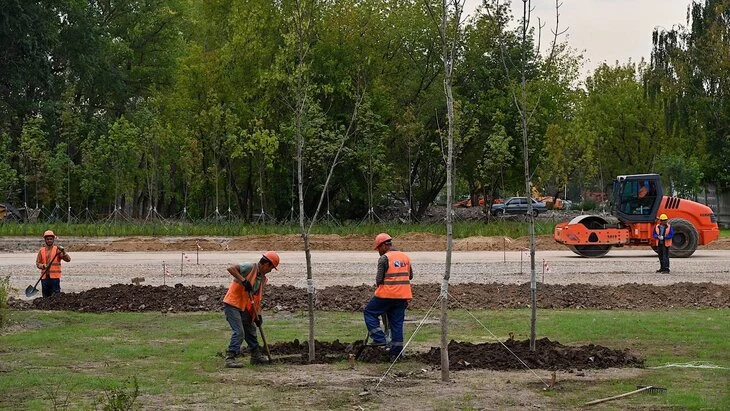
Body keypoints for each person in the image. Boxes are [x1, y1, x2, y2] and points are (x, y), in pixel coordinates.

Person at [222, 251, 280, 368]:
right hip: (232, 303)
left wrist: (258, 315)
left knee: (251, 330)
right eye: (271, 268)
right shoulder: (249, 267)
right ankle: (230, 358)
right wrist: (243, 281)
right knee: (239, 332)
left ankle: (256, 356)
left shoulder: (263, 279)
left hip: (245, 307)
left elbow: (257, 298)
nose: (270, 271)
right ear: (265, 264)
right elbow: (231, 268)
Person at [364, 233, 413, 361]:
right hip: (402, 296)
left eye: (378, 248)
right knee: (396, 324)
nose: (378, 252)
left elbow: (379, 279)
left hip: (386, 295)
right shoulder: (405, 257)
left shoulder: (384, 258)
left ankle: (379, 338)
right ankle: (395, 355)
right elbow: (410, 276)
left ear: (383, 246)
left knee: (369, 312)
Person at [35, 230, 71, 297]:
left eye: (51, 239)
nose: (49, 240)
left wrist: (64, 252)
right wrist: (43, 266)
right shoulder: (41, 250)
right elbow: (37, 263)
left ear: (53, 239)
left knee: (56, 297)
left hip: (55, 278)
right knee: (45, 297)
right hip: (44, 277)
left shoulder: (57, 250)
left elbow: (68, 260)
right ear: (45, 240)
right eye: (47, 239)